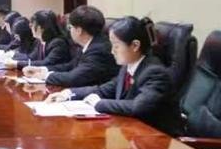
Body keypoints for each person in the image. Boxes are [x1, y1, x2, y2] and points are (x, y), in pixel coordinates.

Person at [46, 16, 181, 135]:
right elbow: (103, 90)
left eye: (116, 46)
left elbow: (137, 106)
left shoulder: (154, 72)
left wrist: (99, 103)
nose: (112, 51)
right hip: (134, 132)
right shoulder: (128, 67)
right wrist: (68, 93)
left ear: (135, 45)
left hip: (158, 140)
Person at [23, 5, 119, 87]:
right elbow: (70, 66)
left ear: (79, 30)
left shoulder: (99, 50)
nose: (69, 31)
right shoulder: (87, 45)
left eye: (70, 27)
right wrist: (41, 70)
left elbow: (74, 78)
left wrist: (44, 76)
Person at [3, 10, 71, 69]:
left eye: (32, 24)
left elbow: (46, 63)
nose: (30, 27)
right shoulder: (40, 41)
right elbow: (31, 58)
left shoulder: (58, 43)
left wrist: (17, 64)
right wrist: (11, 57)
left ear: (41, 27)